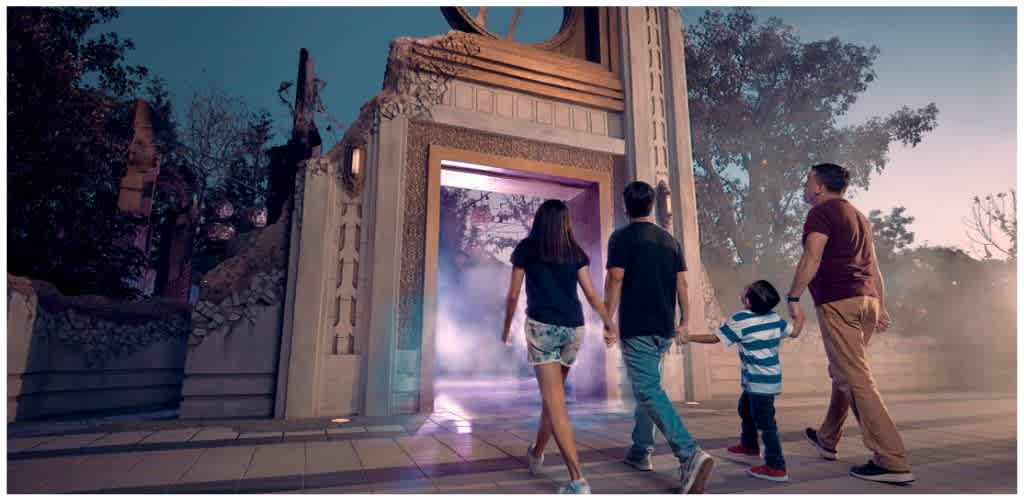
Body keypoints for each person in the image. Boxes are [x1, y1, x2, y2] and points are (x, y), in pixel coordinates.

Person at [786, 163, 915, 484]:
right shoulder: (860, 217)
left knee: (855, 376)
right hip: (866, 300)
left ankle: (891, 459)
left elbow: (811, 257)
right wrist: (879, 306)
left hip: (839, 301)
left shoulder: (821, 212)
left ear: (818, 186)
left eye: (807, 180)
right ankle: (828, 437)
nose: (804, 187)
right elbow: (875, 268)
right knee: (844, 371)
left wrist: (793, 296)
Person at [602, 181, 715, 494]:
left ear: (626, 207)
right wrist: (685, 321)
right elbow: (682, 285)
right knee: (647, 386)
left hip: (637, 326)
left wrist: (607, 320)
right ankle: (640, 451)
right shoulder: (670, 241)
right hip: (664, 327)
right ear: (650, 206)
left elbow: (615, 279)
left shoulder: (621, 238)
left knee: (648, 389)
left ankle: (689, 453)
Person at [501, 199, 618, 494]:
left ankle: (578, 480)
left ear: (539, 220)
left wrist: (505, 329)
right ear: (565, 222)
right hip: (573, 330)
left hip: (542, 329)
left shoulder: (527, 248)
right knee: (552, 400)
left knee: (556, 403)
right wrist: (609, 322)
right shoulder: (574, 252)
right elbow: (591, 295)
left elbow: (513, 296)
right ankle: (537, 453)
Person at [687, 280, 803, 482]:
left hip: (759, 382)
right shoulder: (775, 318)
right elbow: (795, 332)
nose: (743, 289)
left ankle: (776, 467)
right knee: (745, 408)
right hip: (766, 379)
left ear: (749, 301)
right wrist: (799, 316)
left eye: (746, 289)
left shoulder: (741, 319)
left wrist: (688, 337)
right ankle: (749, 445)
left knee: (767, 424)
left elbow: (716, 338)